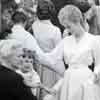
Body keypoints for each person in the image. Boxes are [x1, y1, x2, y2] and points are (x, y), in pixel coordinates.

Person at [34, 5, 100, 100]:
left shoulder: (93, 40)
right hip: (69, 79)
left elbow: (99, 63)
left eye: (69, 26)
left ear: (77, 21)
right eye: (65, 27)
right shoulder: (65, 41)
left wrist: (95, 76)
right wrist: (35, 53)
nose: (67, 30)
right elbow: (51, 57)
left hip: (86, 79)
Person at [32, 0, 65, 98]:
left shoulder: (34, 26)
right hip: (52, 65)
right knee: (51, 92)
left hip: (38, 63)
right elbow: (59, 52)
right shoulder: (55, 30)